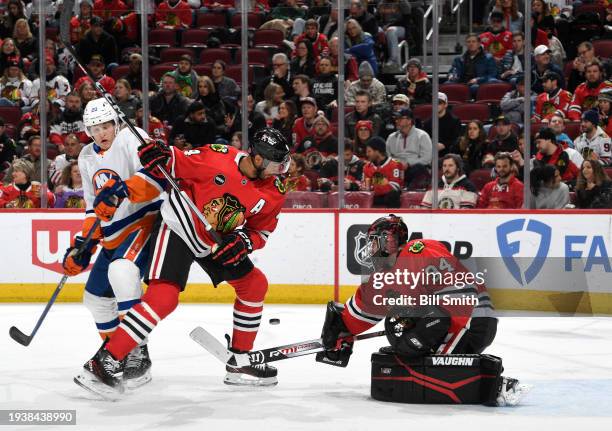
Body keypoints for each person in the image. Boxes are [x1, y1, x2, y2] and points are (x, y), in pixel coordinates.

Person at [76, 129, 291, 398]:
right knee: (163, 297)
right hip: (179, 226)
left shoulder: (274, 191)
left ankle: (240, 360)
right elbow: (172, 160)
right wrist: (157, 153)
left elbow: (261, 231)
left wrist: (244, 242)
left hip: (215, 240)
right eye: (274, 163)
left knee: (254, 285)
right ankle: (105, 360)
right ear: (257, 159)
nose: (280, 170)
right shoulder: (216, 157)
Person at [315, 214, 527, 407]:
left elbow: (463, 291)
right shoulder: (381, 279)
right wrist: (341, 331)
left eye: (373, 241)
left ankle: (495, 385)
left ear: (389, 239)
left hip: (473, 319)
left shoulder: (419, 250)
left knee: (434, 368)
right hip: (443, 322)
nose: (370, 248)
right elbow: (360, 313)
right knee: (411, 356)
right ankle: (458, 366)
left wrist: (429, 329)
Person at [66, 98, 163, 393]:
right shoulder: (85, 156)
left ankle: (137, 353)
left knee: (122, 274)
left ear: (116, 123)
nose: (100, 133)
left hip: (143, 222)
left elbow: (156, 179)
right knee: (94, 299)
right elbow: (92, 205)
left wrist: (122, 191)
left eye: (105, 126)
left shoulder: (132, 139)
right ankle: (113, 353)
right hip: (110, 234)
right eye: (94, 129)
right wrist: (83, 243)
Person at [386, 108, 432, 190]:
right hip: (395, 170)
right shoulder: (391, 137)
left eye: (400, 118)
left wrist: (408, 163)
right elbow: (387, 157)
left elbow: (427, 159)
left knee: (419, 168)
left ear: (409, 121)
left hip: (413, 169)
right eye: (396, 119)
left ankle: (410, 189)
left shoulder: (422, 136)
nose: (396, 121)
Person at [448, 34, 498, 98]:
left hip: (480, 83)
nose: (471, 44)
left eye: (473, 41)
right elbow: (452, 71)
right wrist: (451, 75)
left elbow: (492, 75)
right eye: (468, 42)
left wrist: (478, 80)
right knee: (447, 84)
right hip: (463, 83)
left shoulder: (488, 58)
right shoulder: (459, 59)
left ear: (479, 44)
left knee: (475, 87)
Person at [363, 137, 403, 208]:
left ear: (377, 151)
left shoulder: (395, 164)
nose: (367, 154)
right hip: (373, 197)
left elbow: (395, 187)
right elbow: (366, 187)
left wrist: (375, 182)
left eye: (369, 151)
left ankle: (393, 217)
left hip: (388, 198)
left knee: (393, 194)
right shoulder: (367, 167)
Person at [423, 93, 462, 157]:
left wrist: (444, 145)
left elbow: (457, 139)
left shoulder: (455, 121)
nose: (436, 105)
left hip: (450, 152)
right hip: (432, 153)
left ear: (445, 105)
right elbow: (425, 139)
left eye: (439, 103)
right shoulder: (427, 122)